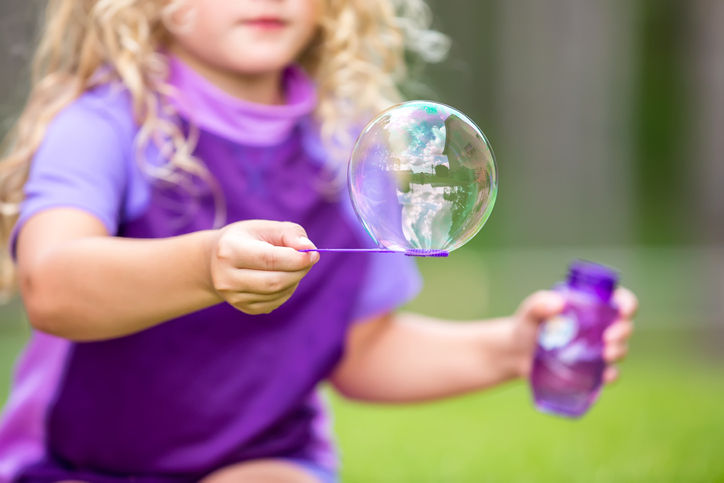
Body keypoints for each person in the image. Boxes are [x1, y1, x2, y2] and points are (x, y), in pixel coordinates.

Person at [0, 0, 637, 482]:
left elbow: (360, 351)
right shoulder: (104, 123)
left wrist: (510, 346)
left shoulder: (350, 147)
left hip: (262, 459)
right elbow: (52, 287)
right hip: (78, 462)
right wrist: (203, 263)